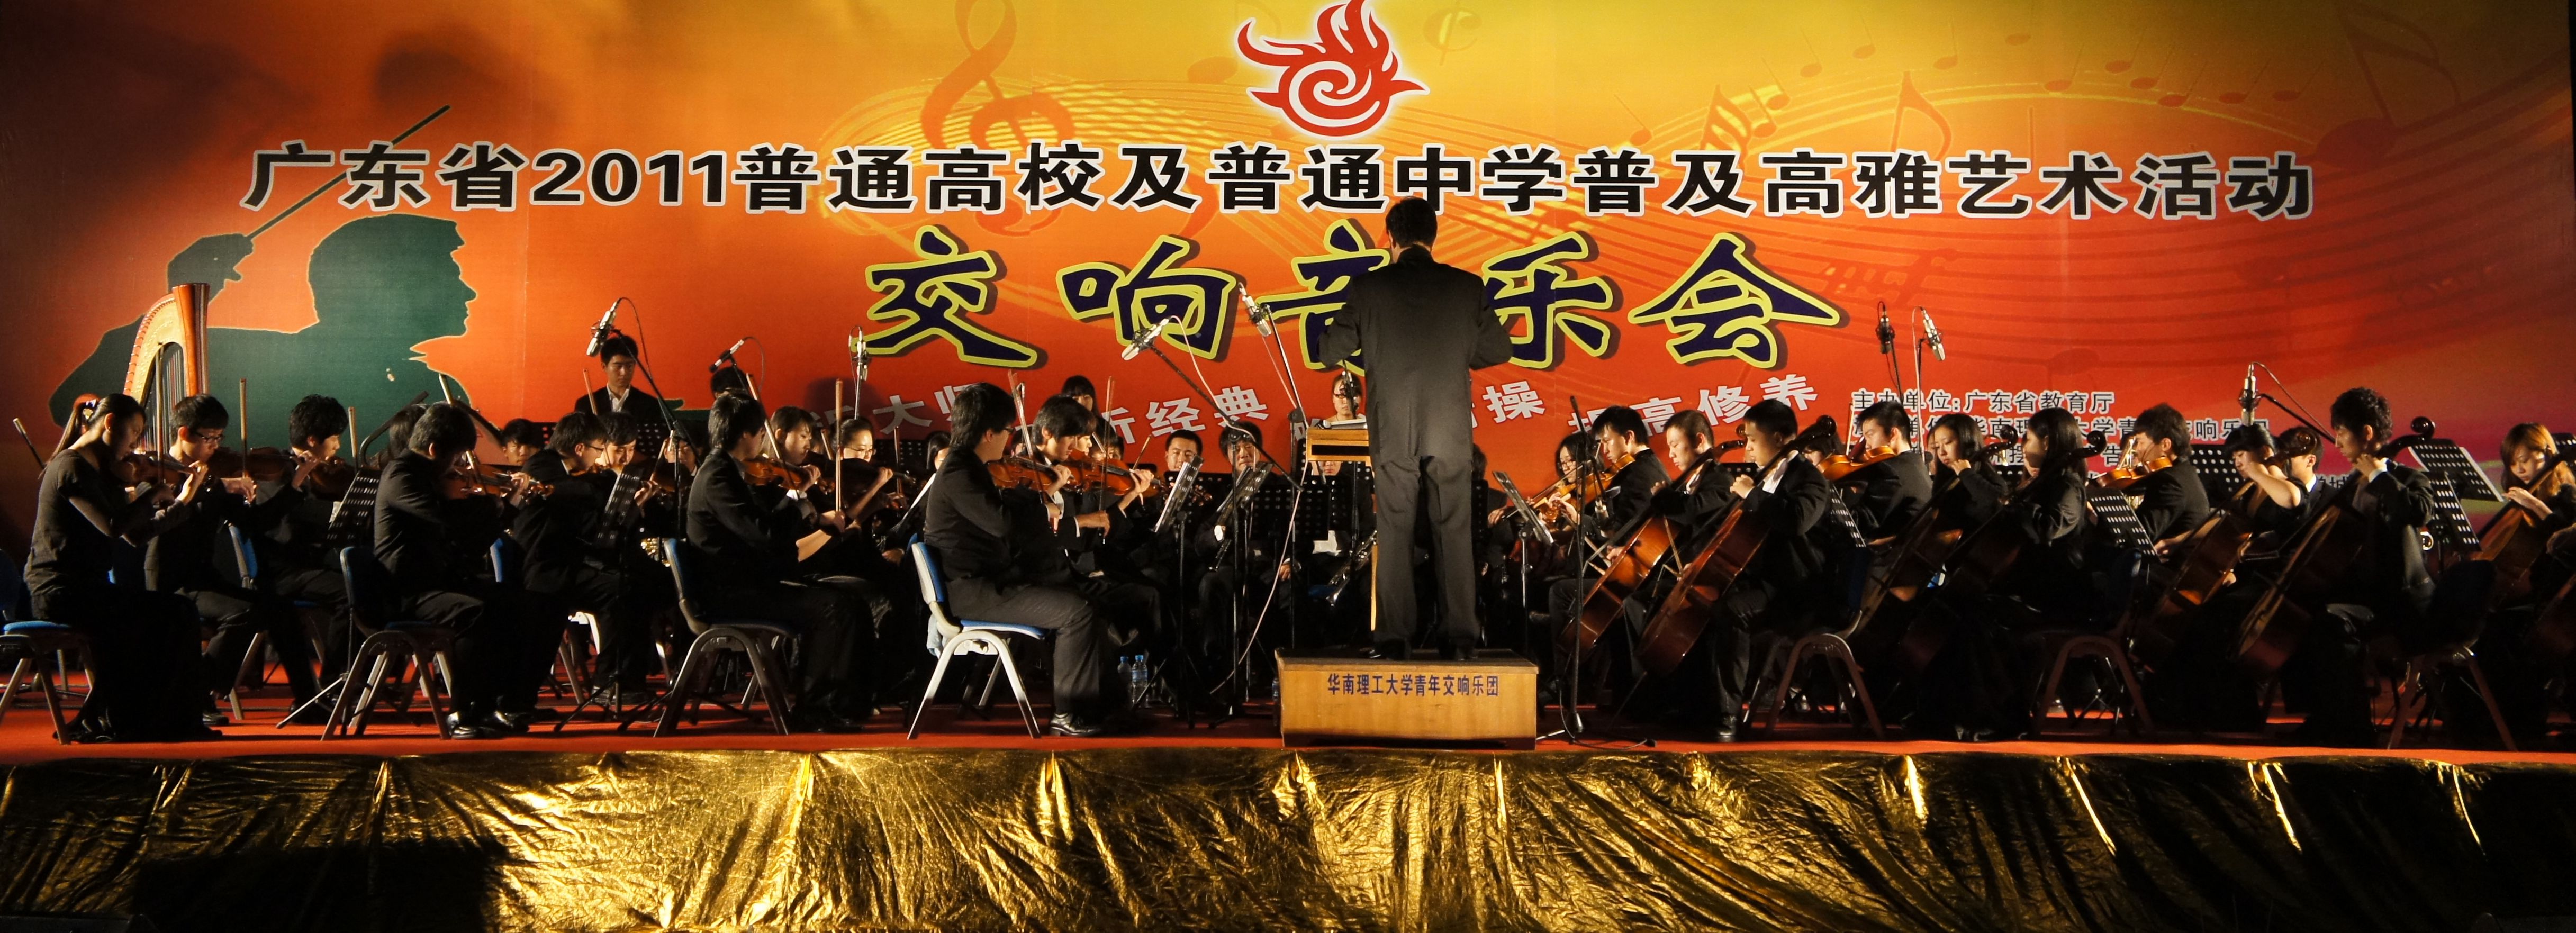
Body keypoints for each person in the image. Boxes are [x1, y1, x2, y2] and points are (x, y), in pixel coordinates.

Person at [1319, 196, 1514, 659]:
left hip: (1393, 424)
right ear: (1433, 236)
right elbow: (1498, 349)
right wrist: (1455, 352)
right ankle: (1460, 638)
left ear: (1390, 238)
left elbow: (1330, 351)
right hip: (1449, 425)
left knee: (1395, 526)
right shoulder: (1467, 286)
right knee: (1453, 527)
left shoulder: (1369, 287)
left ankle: (1394, 639)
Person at [920, 383, 1124, 736]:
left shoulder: (973, 466)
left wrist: (1041, 500)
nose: (1009, 438)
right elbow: (1001, 524)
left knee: (1088, 602)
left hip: (993, 581)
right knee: (1077, 612)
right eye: (1007, 430)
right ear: (989, 433)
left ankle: (1106, 707)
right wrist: (1042, 505)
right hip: (975, 590)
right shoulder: (958, 470)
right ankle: (1068, 713)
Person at [686, 392, 888, 731]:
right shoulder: (718, 476)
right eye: (760, 433)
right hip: (729, 593)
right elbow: (764, 533)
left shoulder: (727, 470)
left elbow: (765, 525)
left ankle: (847, 704)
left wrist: (813, 517)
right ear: (747, 434)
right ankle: (814, 709)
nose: (761, 441)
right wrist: (798, 500)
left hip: (747, 582)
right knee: (833, 607)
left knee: (851, 602)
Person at [24, 393, 219, 741]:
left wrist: (179, 500)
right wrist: (150, 494)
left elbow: (136, 535)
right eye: (135, 432)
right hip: (59, 591)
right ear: (111, 423)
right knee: (172, 613)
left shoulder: (100, 471)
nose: (135, 445)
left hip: (88, 589)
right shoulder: (71, 467)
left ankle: (159, 719)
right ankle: (144, 720)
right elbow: (113, 526)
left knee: (177, 612)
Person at [373, 403, 560, 738]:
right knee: (476, 613)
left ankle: (498, 704)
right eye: (457, 456)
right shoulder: (402, 475)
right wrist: (493, 503)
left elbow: (469, 541)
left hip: (440, 581)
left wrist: (510, 506)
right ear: (434, 450)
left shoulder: (431, 477)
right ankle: (462, 712)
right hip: (406, 590)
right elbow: (446, 519)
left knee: (521, 602)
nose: (460, 466)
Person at [143, 394, 321, 720]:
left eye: (219, 438)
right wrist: (212, 488)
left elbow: (255, 523)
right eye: (209, 438)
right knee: (243, 613)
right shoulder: (159, 475)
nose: (215, 446)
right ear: (184, 434)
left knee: (281, 609)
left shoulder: (213, 477)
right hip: (172, 582)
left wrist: (295, 483)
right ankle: (196, 696)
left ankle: (308, 701)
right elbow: (164, 522)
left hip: (204, 579)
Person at [1692, 400, 1832, 741]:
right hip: (1767, 583)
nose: (1749, 449)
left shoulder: (1809, 479)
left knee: (1733, 611)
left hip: (1797, 592)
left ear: (1780, 439)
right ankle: (1696, 706)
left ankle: (1727, 716)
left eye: (1754, 440)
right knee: (1702, 600)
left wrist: (1752, 495)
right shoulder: (1768, 478)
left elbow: (1796, 521)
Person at [1839, 401, 1933, 542]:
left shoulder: (1890, 470)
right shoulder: (1917, 462)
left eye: (1870, 435)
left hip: (1889, 553)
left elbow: (1860, 525)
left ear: (1892, 434)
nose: (1867, 445)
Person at [2123, 404, 2212, 549]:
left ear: (2165, 445)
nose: (2137, 450)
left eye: (2140, 443)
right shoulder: (2183, 473)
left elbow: (2139, 536)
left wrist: (2096, 514)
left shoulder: (2170, 482)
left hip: (2169, 563)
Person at [1924, 413, 2007, 532]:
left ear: (1966, 441)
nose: (1942, 452)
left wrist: (1967, 474)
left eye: (1948, 443)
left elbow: (1998, 506)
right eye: (1937, 447)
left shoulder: (1983, 476)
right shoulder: (1944, 481)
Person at [577, 334, 663, 418]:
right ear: (604, 367)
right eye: (618, 366)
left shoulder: (649, 404)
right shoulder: (586, 404)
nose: (624, 372)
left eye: (629, 366)